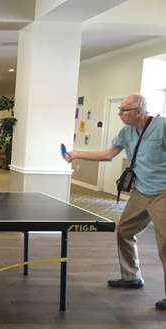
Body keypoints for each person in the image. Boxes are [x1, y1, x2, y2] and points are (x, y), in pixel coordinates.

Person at [64, 94, 166, 310]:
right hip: (141, 191)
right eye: (119, 109)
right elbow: (108, 154)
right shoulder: (126, 132)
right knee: (124, 231)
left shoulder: (162, 126)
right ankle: (131, 276)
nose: (119, 114)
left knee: (165, 244)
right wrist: (76, 154)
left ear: (139, 111)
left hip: (163, 193)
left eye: (124, 110)